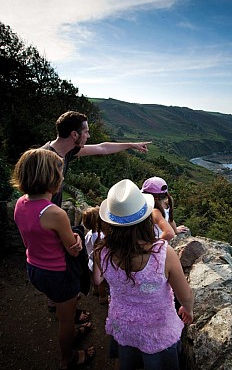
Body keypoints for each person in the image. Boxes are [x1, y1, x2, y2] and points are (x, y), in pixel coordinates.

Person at [93, 179, 194, 370]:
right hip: (156, 327)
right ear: (146, 219)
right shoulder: (162, 254)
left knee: (123, 360)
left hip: (123, 322)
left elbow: (103, 282)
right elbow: (185, 295)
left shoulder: (102, 251)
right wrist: (188, 310)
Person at [41, 110, 150, 313]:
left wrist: (131, 145)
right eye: (86, 132)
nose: (89, 136)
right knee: (62, 262)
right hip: (49, 220)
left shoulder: (65, 152)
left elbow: (102, 148)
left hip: (52, 217)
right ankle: (61, 307)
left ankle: (56, 302)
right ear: (75, 134)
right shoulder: (49, 159)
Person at [11, 148, 95, 370]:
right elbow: (74, 251)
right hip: (58, 274)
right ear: (50, 178)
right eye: (60, 172)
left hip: (34, 268)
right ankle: (68, 358)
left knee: (61, 305)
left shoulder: (21, 203)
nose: (63, 177)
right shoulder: (54, 213)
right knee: (65, 320)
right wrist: (77, 237)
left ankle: (72, 332)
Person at [82, 206, 108, 304]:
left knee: (94, 278)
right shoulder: (101, 236)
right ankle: (103, 297)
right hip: (100, 264)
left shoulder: (88, 234)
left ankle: (95, 289)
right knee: (101, 282)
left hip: (91, 262)